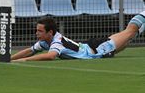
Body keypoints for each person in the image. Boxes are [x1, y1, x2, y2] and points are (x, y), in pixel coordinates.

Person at [11, 12, 145, 62]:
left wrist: (25, 60)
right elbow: (30, 50)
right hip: (90, 45)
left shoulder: (56, 42)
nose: (37, 33)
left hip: (98, 50)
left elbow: (51, 56)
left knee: (130, 32)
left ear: (50, 32)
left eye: (39, 31)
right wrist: (8, 59)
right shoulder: (46, 41)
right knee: (128, 38)